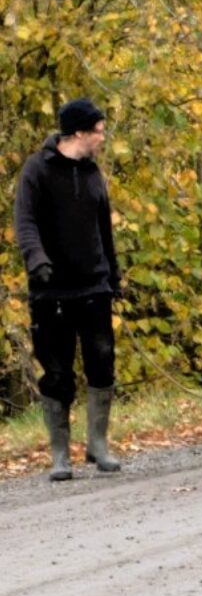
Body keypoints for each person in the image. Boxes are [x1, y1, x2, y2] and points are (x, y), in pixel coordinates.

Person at [15, 98, 123, 480]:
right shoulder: (37, 170)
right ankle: (60, 454)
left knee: (102, 361)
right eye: (97, 130)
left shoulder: (94, 174)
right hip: (51, 292)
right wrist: (37, 260)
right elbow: (24, 221)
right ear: (78, 132)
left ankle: (98, 445)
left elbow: (103, 231)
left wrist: (114, 274)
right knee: (57, 372)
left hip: (93, 286)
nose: (101, 137)